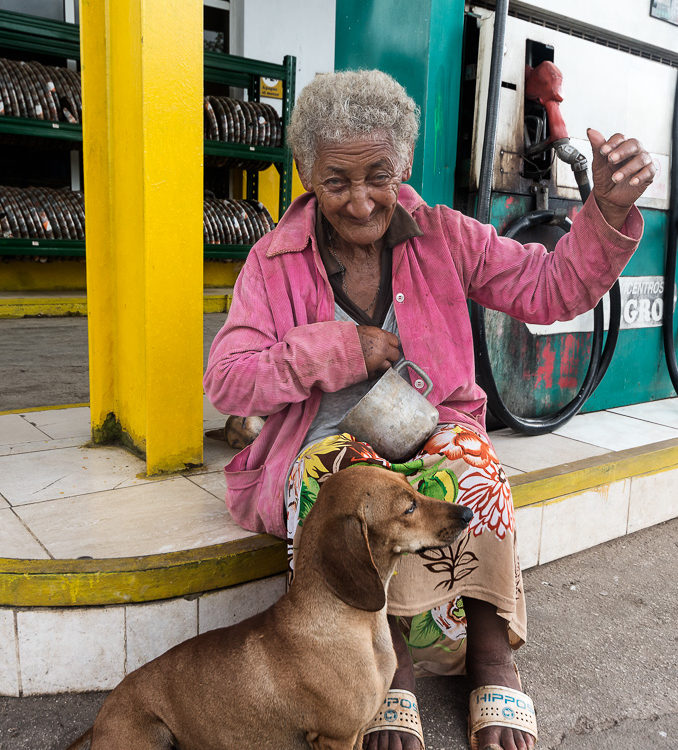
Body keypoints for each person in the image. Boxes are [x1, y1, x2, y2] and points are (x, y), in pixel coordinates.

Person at [204, 69, 654, 750]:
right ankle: (394, 668)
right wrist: (338, 350)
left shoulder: (444, 236)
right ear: (304, 174)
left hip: (428, 429)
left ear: (405, 162)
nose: (359, 202)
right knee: (339, 482)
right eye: (336, 182)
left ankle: (491, 652)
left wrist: (608, 213)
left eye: (378, 175)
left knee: (470, 461)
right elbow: (229, 381)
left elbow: (552, 288)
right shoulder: (274, 262)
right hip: (327, 444)